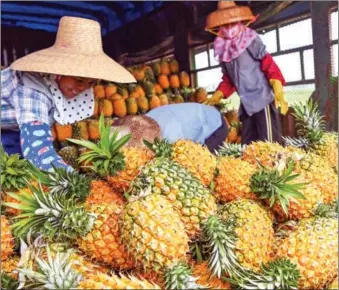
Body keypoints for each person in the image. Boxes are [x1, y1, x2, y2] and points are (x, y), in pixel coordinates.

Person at [1, 16, 135, 172]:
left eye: (90, 83)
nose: (83, 88)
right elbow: (37, 150)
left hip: (12, 127)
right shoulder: (32, 88)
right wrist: (71, 179)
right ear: (59, 72)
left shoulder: (57, 85)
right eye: (79, 80)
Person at [204, 1, 288, 145]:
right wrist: (217, 96)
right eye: (224, 24)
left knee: (269, 144)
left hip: (263, 100)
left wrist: (278, 89)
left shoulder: (249, 39)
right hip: (246, 105)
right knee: (248, 144)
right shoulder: (221, 48)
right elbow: (229, 80)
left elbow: (268, 64)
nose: (229, 28)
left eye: (232, 23)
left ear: (239, 20)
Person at [145, 103, 229, 153]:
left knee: (203, 159)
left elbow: (176, 152)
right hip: (206, 113)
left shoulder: (168, 135)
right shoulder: (147, 117)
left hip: (216, 126)